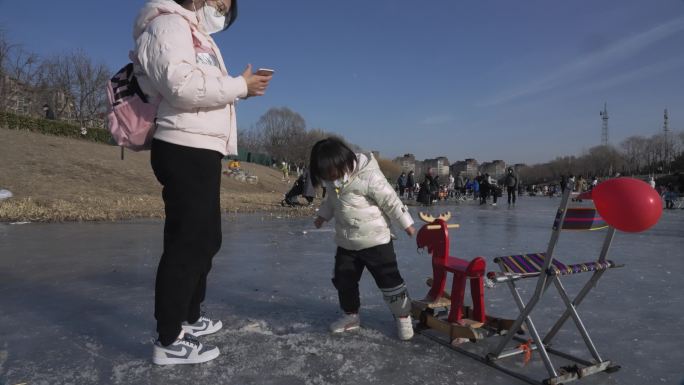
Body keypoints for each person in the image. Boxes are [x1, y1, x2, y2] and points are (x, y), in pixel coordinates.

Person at [135, 0, 273, 365]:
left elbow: (200, 85)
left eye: (226, 9)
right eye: (219, 3)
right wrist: (239, 86)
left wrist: (239, 86)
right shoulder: (168, 25)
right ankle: (168, 339)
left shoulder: (193, 32)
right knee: (188, 244)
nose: (221, 11)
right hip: (183, 144)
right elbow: (181, 86)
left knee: (206, 239)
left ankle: (189, 316)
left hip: (202, 148)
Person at [309, 138, 416, 341]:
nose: (330, 179)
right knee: (343, 280)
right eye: (324, 176)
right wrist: (322, 216)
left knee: (390, 281)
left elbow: (390, 200)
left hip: (376, 241)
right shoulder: (333, 183)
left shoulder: (368, 176)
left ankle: (403, 316)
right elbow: (331, 201)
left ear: (343, 162)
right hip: (347, 243)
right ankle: (351, 316)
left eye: (331, 173)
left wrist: (406, 223)